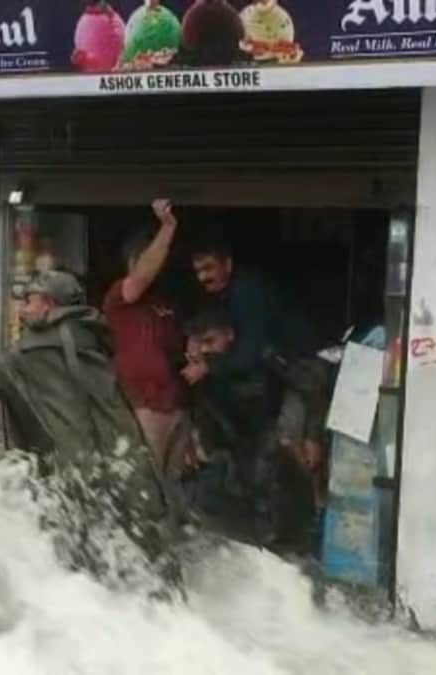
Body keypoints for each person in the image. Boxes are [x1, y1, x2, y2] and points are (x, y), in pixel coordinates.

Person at [0, 270, 180, 592]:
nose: (23, 309)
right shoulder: (88, 338)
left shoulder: (34, 352)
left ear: (49, 304)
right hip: (126, 468)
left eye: (29, 301)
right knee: (142, 559)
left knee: (84, 568)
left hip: (73, 476)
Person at [183, 305, 330, 550]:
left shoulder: (259, 355)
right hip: (249, 434)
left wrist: (312, 437)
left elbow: (310, 386)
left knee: (288, 458)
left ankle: (314, 523)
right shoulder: (207, 369)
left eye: (211, 340)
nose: (206, 349)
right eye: (201, 343)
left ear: (230, 334)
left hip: (284, 418)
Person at [103, 199, 194, 510]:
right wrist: (168, 227)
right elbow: (142, 276)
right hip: (143, 405)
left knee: (171, 487)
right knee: (144, 488)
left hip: (176, 407)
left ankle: (166, 547)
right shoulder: (121, 298)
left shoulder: (166, 306)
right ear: (134, 261)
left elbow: (182, 353)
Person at [182, 239, 320, 387]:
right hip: (281, 369)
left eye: (208, 268)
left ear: (227, 265)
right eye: (198, 271)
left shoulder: (246, 289)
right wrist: (195, 338)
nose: (202, 277)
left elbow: (252, 349)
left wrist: (208, 366)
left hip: (304, 366)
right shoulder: (222, 293)